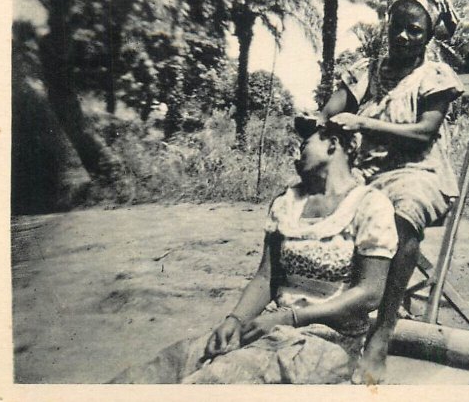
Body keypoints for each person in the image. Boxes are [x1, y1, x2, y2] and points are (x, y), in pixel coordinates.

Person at [110, 117, 397, 384]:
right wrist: (235, 320)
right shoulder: (287, 203)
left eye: (305, 144)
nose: (297, 153)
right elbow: (266, 278)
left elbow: (370, 292)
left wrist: (292, 318)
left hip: (327, 339)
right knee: (175, 360)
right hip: (270, 324)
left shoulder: (370, 205)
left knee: (219, 378)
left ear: (333, 144)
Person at [319, 0, 465, 384]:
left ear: (429, 34)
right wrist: (319, 123)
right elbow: (329, 111)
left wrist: (364, 123)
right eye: (396, 26)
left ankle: (382, 333)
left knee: (403, 211)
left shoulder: (434, 75)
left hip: (419, 171)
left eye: (414, 30)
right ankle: (332, 316)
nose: (402, 36)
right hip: (366, 171)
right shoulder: (367, 71)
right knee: (316, 200)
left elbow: (423, 133)